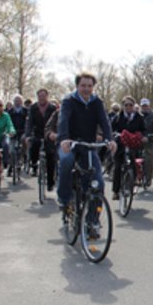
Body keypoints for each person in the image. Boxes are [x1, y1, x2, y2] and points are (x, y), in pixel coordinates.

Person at [56, 73, 115, 212]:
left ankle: (93, 221)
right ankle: (64, 199)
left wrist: (110, 139)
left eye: (89, 86)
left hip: (88, 146)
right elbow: (63, 120)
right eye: (83, 85)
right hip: (70, 144)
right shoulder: (68, 101)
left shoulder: (97, 102)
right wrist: (64, 138)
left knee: (98, 182)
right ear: (77, 86)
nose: (86, 89)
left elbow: (104, 122)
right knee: (66, 161)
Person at [112, 96, 145, 200]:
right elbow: (111, 128)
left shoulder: (139, 117)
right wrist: (113, 136)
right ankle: (116, 191)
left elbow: (143, 129)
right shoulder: (118, 117)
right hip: (120, 144)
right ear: (123, 106)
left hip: (133, 144)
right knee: (117, 166)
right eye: (126, 105)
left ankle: (133, 182)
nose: (128, 107)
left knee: (135, 164)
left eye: (130, 105)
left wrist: (143, 137)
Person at [25, 88, 58, 191]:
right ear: (37, 97)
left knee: (51, 157)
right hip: (38, 132)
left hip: (49, 134)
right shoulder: (33, 108)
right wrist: (28, 135)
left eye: (44, 96)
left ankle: (50, 183)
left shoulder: (52, 108)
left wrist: (54, 134)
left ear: (47, 96)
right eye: (40, 96)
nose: (42, 98)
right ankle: (34, 164)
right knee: (34, 145)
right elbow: (29, 122)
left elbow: (56, 122)